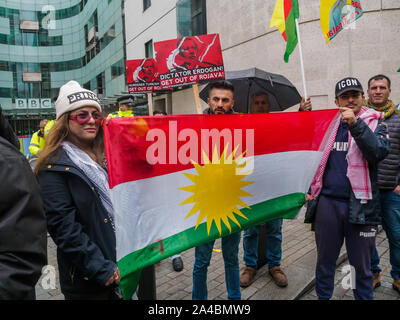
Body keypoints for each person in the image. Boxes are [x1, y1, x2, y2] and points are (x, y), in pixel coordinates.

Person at [305, 77, 389, 300]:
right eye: (345, 96)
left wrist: (356, 124)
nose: (350, 100)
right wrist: (303, 114)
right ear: (336, 101)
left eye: (355, 95)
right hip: (327, 206)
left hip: (362, 208)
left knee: (362, 268)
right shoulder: (328, 125)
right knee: (324, 262)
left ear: (363, 98)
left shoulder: (376, 123)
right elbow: (306, 146)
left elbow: (378, 152)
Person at [35, 80, 120, 300]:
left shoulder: (105, 158)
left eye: (96, 115)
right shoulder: (52, 167)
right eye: (82, 115)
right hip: (89, 280)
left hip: (120, 263)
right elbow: (64, 229)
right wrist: (101, 268)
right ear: (66, 121)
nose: (91, 120)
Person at [240, 92, 312, 289]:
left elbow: (295, 131)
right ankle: (250, 266)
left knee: (274, 230)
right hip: (250, 189)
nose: (261, 105)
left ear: (269, 105)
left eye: (264, 102)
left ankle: (275, 266)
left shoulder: (277, 123)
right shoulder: (242, 126)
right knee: (250, 231)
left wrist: (301, 112)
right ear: (251, 105)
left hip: (274, 187)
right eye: (257, 102)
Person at [192, 80, 241, 300]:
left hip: (232, 203)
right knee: (201, 261)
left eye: (225, 100)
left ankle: (235, 299)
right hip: (205, 205)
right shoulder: (195, 126)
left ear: (232, 103)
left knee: (231, 258)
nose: (220, 104)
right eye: (216, 99)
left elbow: (250, 166)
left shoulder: (243, 127)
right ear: (208, 101)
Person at [0, 106, 47, 299]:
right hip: (39, 160)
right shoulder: (36, 135)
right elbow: (32, 148)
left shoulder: (7, 161)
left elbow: (22, 256)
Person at [364, 74, 400, 293]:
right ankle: (373, 272)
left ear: (389, 91)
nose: (377, 91)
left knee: (396, 237)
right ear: (367, 92)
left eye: (382, 87)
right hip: (366, 191)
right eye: (373, 88)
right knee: (367, 237)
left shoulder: (398, 120)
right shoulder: (362, 118)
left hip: (391, 192)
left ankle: (397, 276)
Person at [152, 109, 184, 272]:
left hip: (171, 190)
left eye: (162, 119)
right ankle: (157, 251)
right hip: (153, 191)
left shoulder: (176, 139)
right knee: (156, 221)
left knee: (172, 222)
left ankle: (175, 254)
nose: (159, 122)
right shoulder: (146, 139)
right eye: (155, 119)